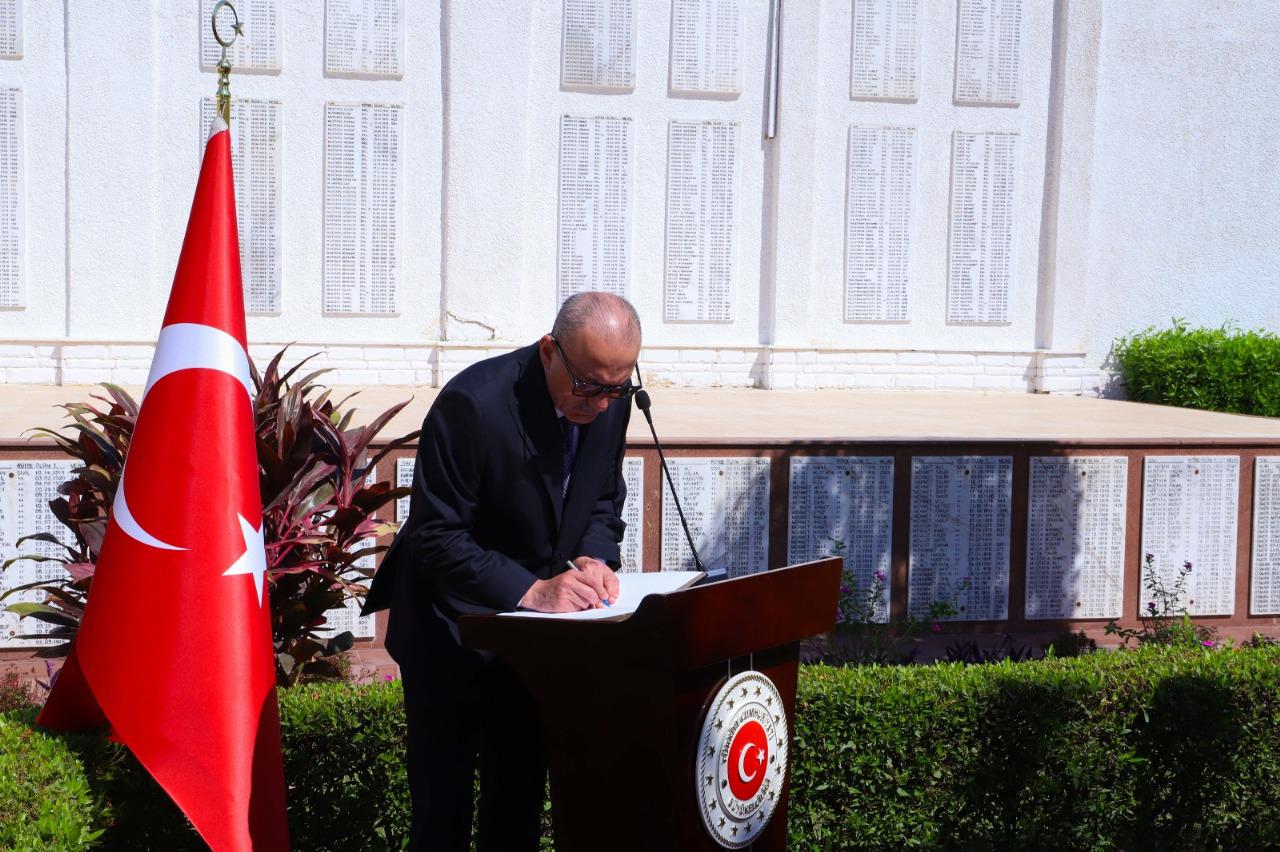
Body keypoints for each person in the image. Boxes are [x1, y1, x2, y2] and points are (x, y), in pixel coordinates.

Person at [362, 291, 642, 851]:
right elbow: (437, 537)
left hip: (531, 643)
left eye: (617, 388)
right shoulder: (472, 404)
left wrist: (593, 557)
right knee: (441, 822)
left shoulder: (610, 399)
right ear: (549, 352)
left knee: (515, 813)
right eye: (587, 386)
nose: (600, 405)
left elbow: (603, 497)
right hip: (449, 629)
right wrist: (532, 590)